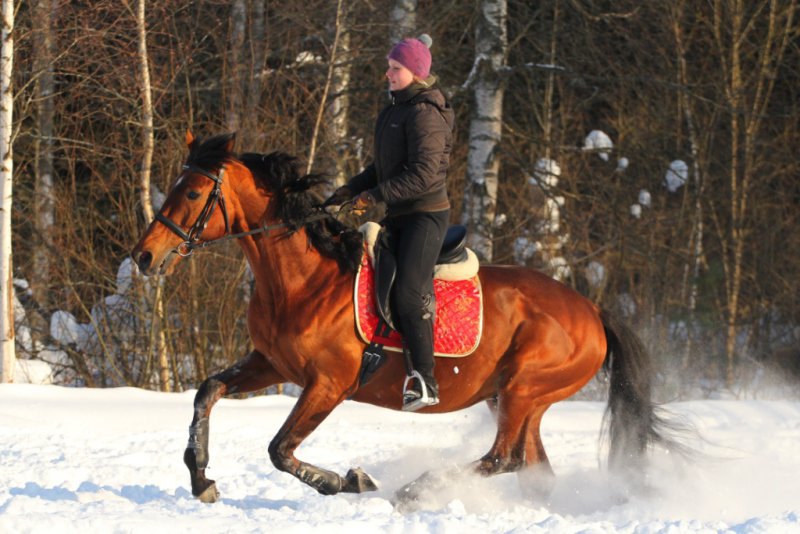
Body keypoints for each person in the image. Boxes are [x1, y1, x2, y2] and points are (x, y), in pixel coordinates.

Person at [324, 34, 455, 412]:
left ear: (414, 72)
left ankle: (425, 380)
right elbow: (382, 168)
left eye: (395, 68)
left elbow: (424, 175)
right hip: (399, 215)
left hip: (425, 217)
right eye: (389, 66)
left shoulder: (425, 113)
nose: (388, 73)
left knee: (408, 291)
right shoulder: (395, 109)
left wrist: (375, 197)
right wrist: (350, 189)